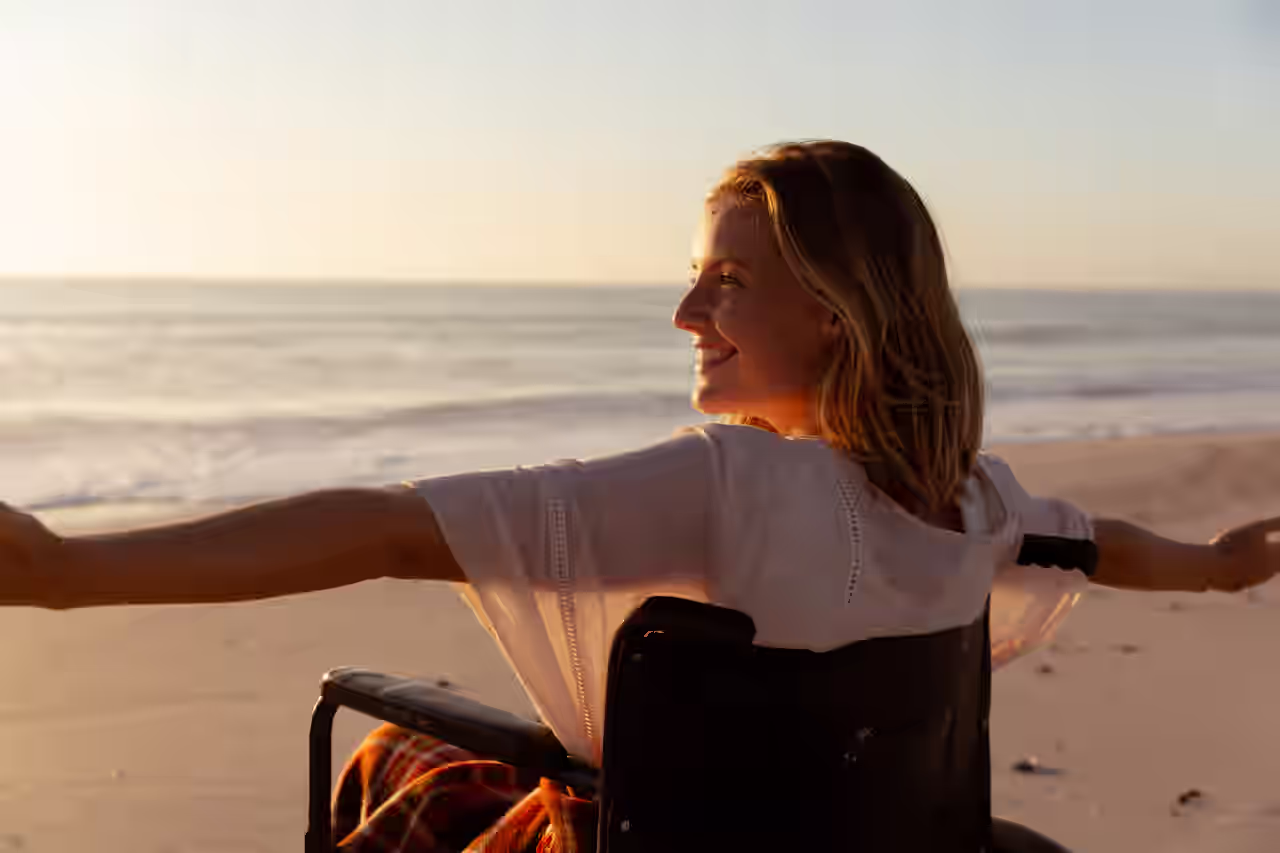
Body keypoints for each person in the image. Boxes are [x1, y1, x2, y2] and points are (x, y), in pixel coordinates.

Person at [0, 141, 1276, 852]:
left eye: (728, 281)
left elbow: (386, 524)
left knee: (393, 749)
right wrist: (1218, 564)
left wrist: (71, 570)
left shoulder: (727, 486)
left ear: (835, 314)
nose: (683, 311)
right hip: (863, 834)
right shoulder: (972, 502)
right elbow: (1096, 545)